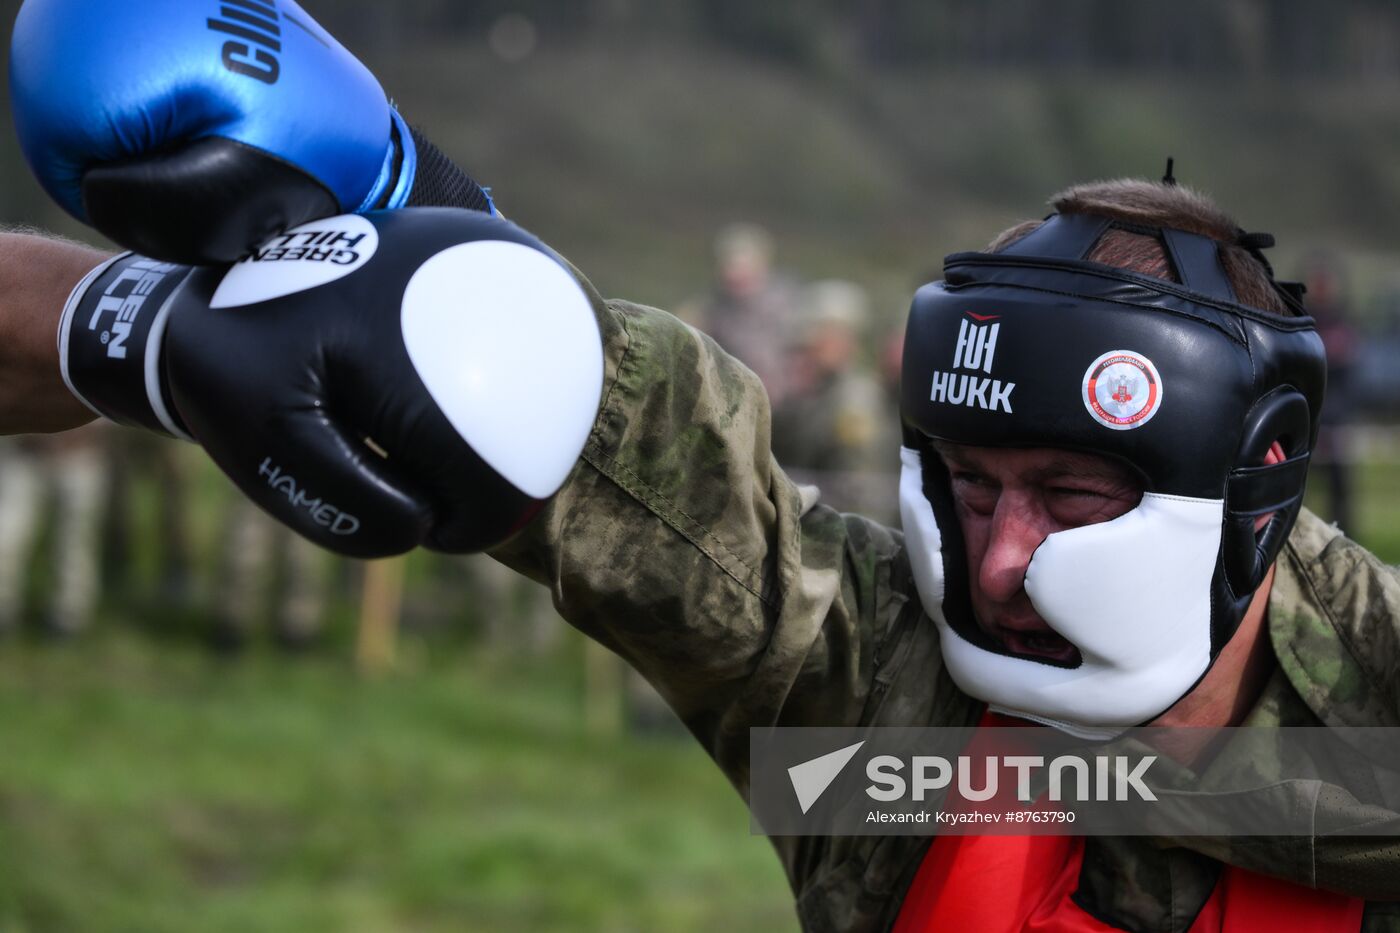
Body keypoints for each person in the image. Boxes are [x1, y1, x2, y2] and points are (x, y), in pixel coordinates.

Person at [4, 3, 1398, 929]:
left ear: (1253, 497)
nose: (998, 559)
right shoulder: (879, 702)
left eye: (1071, 495)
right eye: (972, 486)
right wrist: (162, 321)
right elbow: (610, 429)